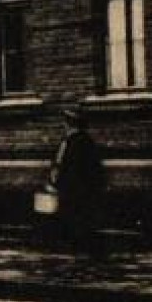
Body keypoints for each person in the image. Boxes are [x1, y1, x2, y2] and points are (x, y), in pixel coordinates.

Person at [48, 108, 107, 257]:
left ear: (71, 125)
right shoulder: (79, 141)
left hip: (75, 191)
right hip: (76, 190)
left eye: (66, 123)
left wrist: (58, 183)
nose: (64, 126)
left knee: (75, 220)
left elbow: (69, 168)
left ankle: (77, 248)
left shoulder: (77, 143)